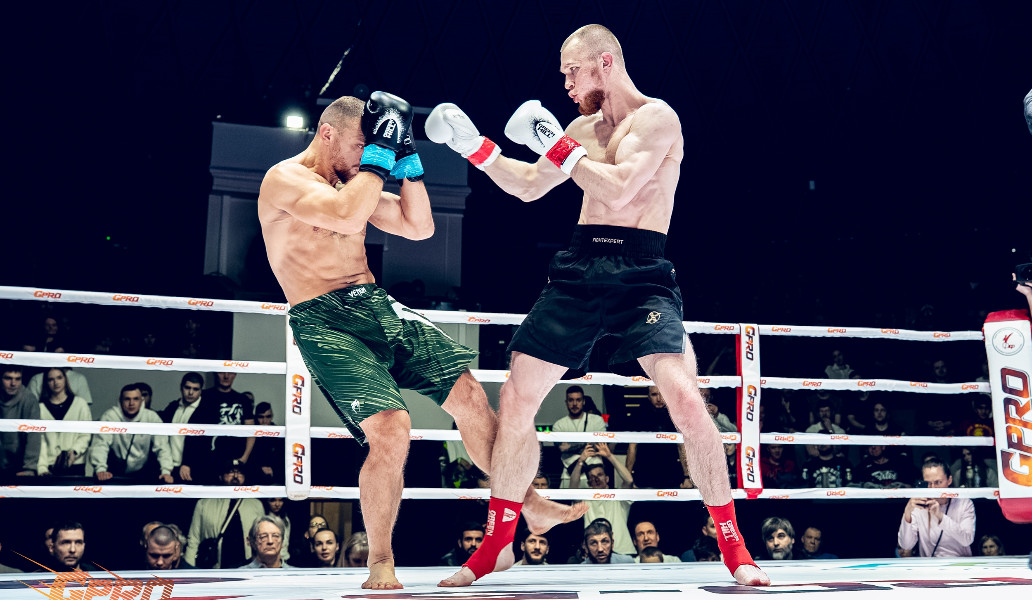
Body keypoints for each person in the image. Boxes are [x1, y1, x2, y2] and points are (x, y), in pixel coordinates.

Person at [427, 23, 767, 587]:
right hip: (581, 268)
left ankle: (734, 546)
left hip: (642, 272)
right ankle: (497, 543)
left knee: (687, 399)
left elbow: (620, 187)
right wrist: (474, 147)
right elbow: (528, 185)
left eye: (572, 71)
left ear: (604, 62)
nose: (565, 84)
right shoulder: (581, 128)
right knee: (517, 394)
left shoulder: (657, 119)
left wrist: (556, 146)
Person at [258, 91, 581, 589]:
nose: (368, 156)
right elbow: (345, 215)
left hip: (374, 303)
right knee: (392, 428)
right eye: (362, 146)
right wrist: (380, 156)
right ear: (327, 133)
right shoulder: (285, 179)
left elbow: (419, 225)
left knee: (469, 393)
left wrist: (407, 159)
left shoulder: (353, 182)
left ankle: (529, 505)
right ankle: (380, 561)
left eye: (374, 147)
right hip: (323, 319)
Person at [183, 460, 265, 569]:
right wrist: (189, 569)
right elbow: (193, 539)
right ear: (221, 476)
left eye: (240, 473)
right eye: (231, 472)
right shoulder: (204, 503)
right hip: (215, 567)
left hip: (248, 566)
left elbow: (263, 538)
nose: (235, 476)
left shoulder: (256, 504)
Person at [89, 383, 174, 483]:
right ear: (120, 401)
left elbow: (162, 446)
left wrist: (166, 471)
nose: (131, 403)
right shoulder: (109, 417)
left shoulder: (151, 417)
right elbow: (100, 445)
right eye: (127, 399)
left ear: (141, 401)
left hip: (142, 472)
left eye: (136, 399)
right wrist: (100, 469)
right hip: (113, 471)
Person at [898, 459, 975, 557]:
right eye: (928, 483)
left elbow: (967, 540)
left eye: (938, 482)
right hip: (930, 564)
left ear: (949, 480)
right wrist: (907, 512)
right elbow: (906, 545)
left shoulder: (964, 503)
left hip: (960, 562)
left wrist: (940, 516)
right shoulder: (919, 506)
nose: (933, 488)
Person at [569, 444, 636, 556]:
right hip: (596, 553)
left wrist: (609, 456)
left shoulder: (618, 497)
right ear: (589, 483)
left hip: (623, 552)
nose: (596, 478)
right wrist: (580, 461)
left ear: (607, 478)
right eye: (592, 477)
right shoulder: (585, 500)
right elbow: (572, 490)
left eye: (599, 475)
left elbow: (629, 480)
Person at [626, 386, 690, 489]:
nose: (659, 399)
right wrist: (627, 478)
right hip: (644, 472)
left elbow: (681, 446)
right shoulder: (638, 414)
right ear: (648, 396)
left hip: (670, 472)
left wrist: (686, 476)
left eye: (662, 394)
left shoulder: (676, 414)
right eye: (654, 394)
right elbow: (632, 447)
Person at [37, 368, 92, 477]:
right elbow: (39, 440)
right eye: (51, 379)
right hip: (49, 466)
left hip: (75, 464)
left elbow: (86, 434)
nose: (56, 382)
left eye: (59, 378)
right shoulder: (40, 408)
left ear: (65, 379)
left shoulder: (80, 404)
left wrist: (74, 452)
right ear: (46, 383)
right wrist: (42, 467)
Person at [552, 385, 607, 488]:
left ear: (583, 401)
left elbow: (599, 445)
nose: (574, 404)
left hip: (594, 475)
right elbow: (562, 448)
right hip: (569, 475)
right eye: (571, 400)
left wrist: (570, 446)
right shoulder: (559, 425)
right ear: (566, 402)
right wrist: (588, 443)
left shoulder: (597, 420)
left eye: (578, 400)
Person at [157, 372, 205, 482]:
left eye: (195, 389)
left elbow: (203, 443)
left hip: (192, 469)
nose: (191, 392)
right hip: (169, 467)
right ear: (181, 387)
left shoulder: (206, 411)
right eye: (187, 388)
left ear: (200, 391)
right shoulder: (172, 407)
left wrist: (188, 463)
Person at [0, 366, 41, 481]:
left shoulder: (29, 399)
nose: (13, 383)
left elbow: (34, 435)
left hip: (20, 466)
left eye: (18, 379)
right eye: (8, 378)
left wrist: (30, 467)